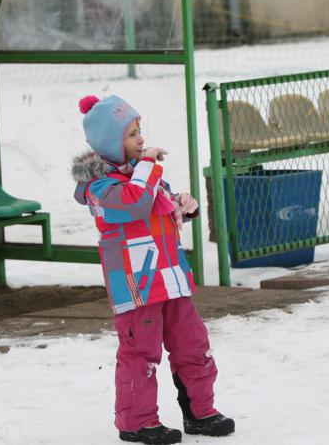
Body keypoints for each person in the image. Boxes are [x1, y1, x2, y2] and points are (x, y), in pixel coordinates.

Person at [72, 95, 235, 444]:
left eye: (140, 131)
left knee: (193, 345)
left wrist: (181, 205)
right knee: (141, 353)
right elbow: (132, 203)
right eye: (132, 134)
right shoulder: (99, 188)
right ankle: (137, 422)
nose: (141, 139)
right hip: (136, 285)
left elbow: (156, 203)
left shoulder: (141, 174)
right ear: (109, 144)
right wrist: (147, 166)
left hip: (170, 277)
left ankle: (200, 412)